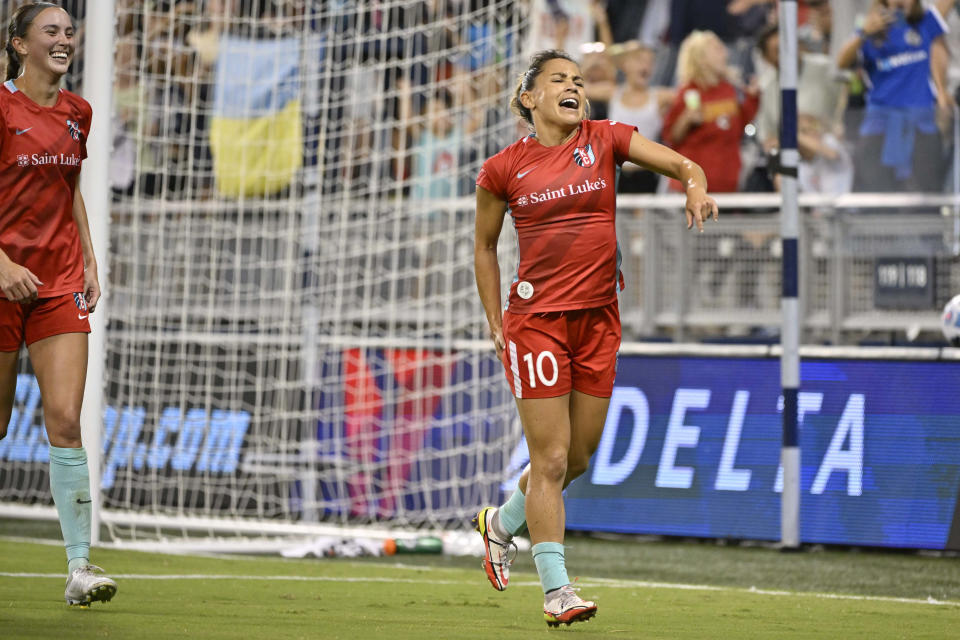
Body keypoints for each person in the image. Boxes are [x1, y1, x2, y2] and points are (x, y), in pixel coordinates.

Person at [472, 49, 717, 627]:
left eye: (578, 80)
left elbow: (685, 165)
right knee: (550, 458)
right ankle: (557, 591)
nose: (573, 86)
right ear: (529, 99)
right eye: (559, 79)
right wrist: (494, 322)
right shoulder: (503, 169)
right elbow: (483, 248)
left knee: (576, 458)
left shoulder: (605, 138)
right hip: (537, 323)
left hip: (599, 318)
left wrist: (695, 187)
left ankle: (501, 523)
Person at [0, 3, 117, 606]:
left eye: (70, 31)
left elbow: (67, 191)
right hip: (0, 281)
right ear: (20, 45)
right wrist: (2, 264)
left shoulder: (79, 113)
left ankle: (79, 568)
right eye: (52, 32)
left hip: (58, 282)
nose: (65, 39)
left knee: (66, 421)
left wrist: (90, 259)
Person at [837, 0, 951, 192]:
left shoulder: (925, 24)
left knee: (926, 199)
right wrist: (863, 33)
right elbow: (841, 62)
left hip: (921, 127)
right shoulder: (870, 34)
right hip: (878, 128)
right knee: (876, 199)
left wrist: (941, 91)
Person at [661, 30, 759, 193]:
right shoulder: (689, 91)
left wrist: (752, 99)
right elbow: (670, 137)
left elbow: (738, 126)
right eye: (717, 49)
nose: (725, 53)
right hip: (693, 184)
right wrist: (686, 120)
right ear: (701, 58)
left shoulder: (729, 88)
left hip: (727, 178)